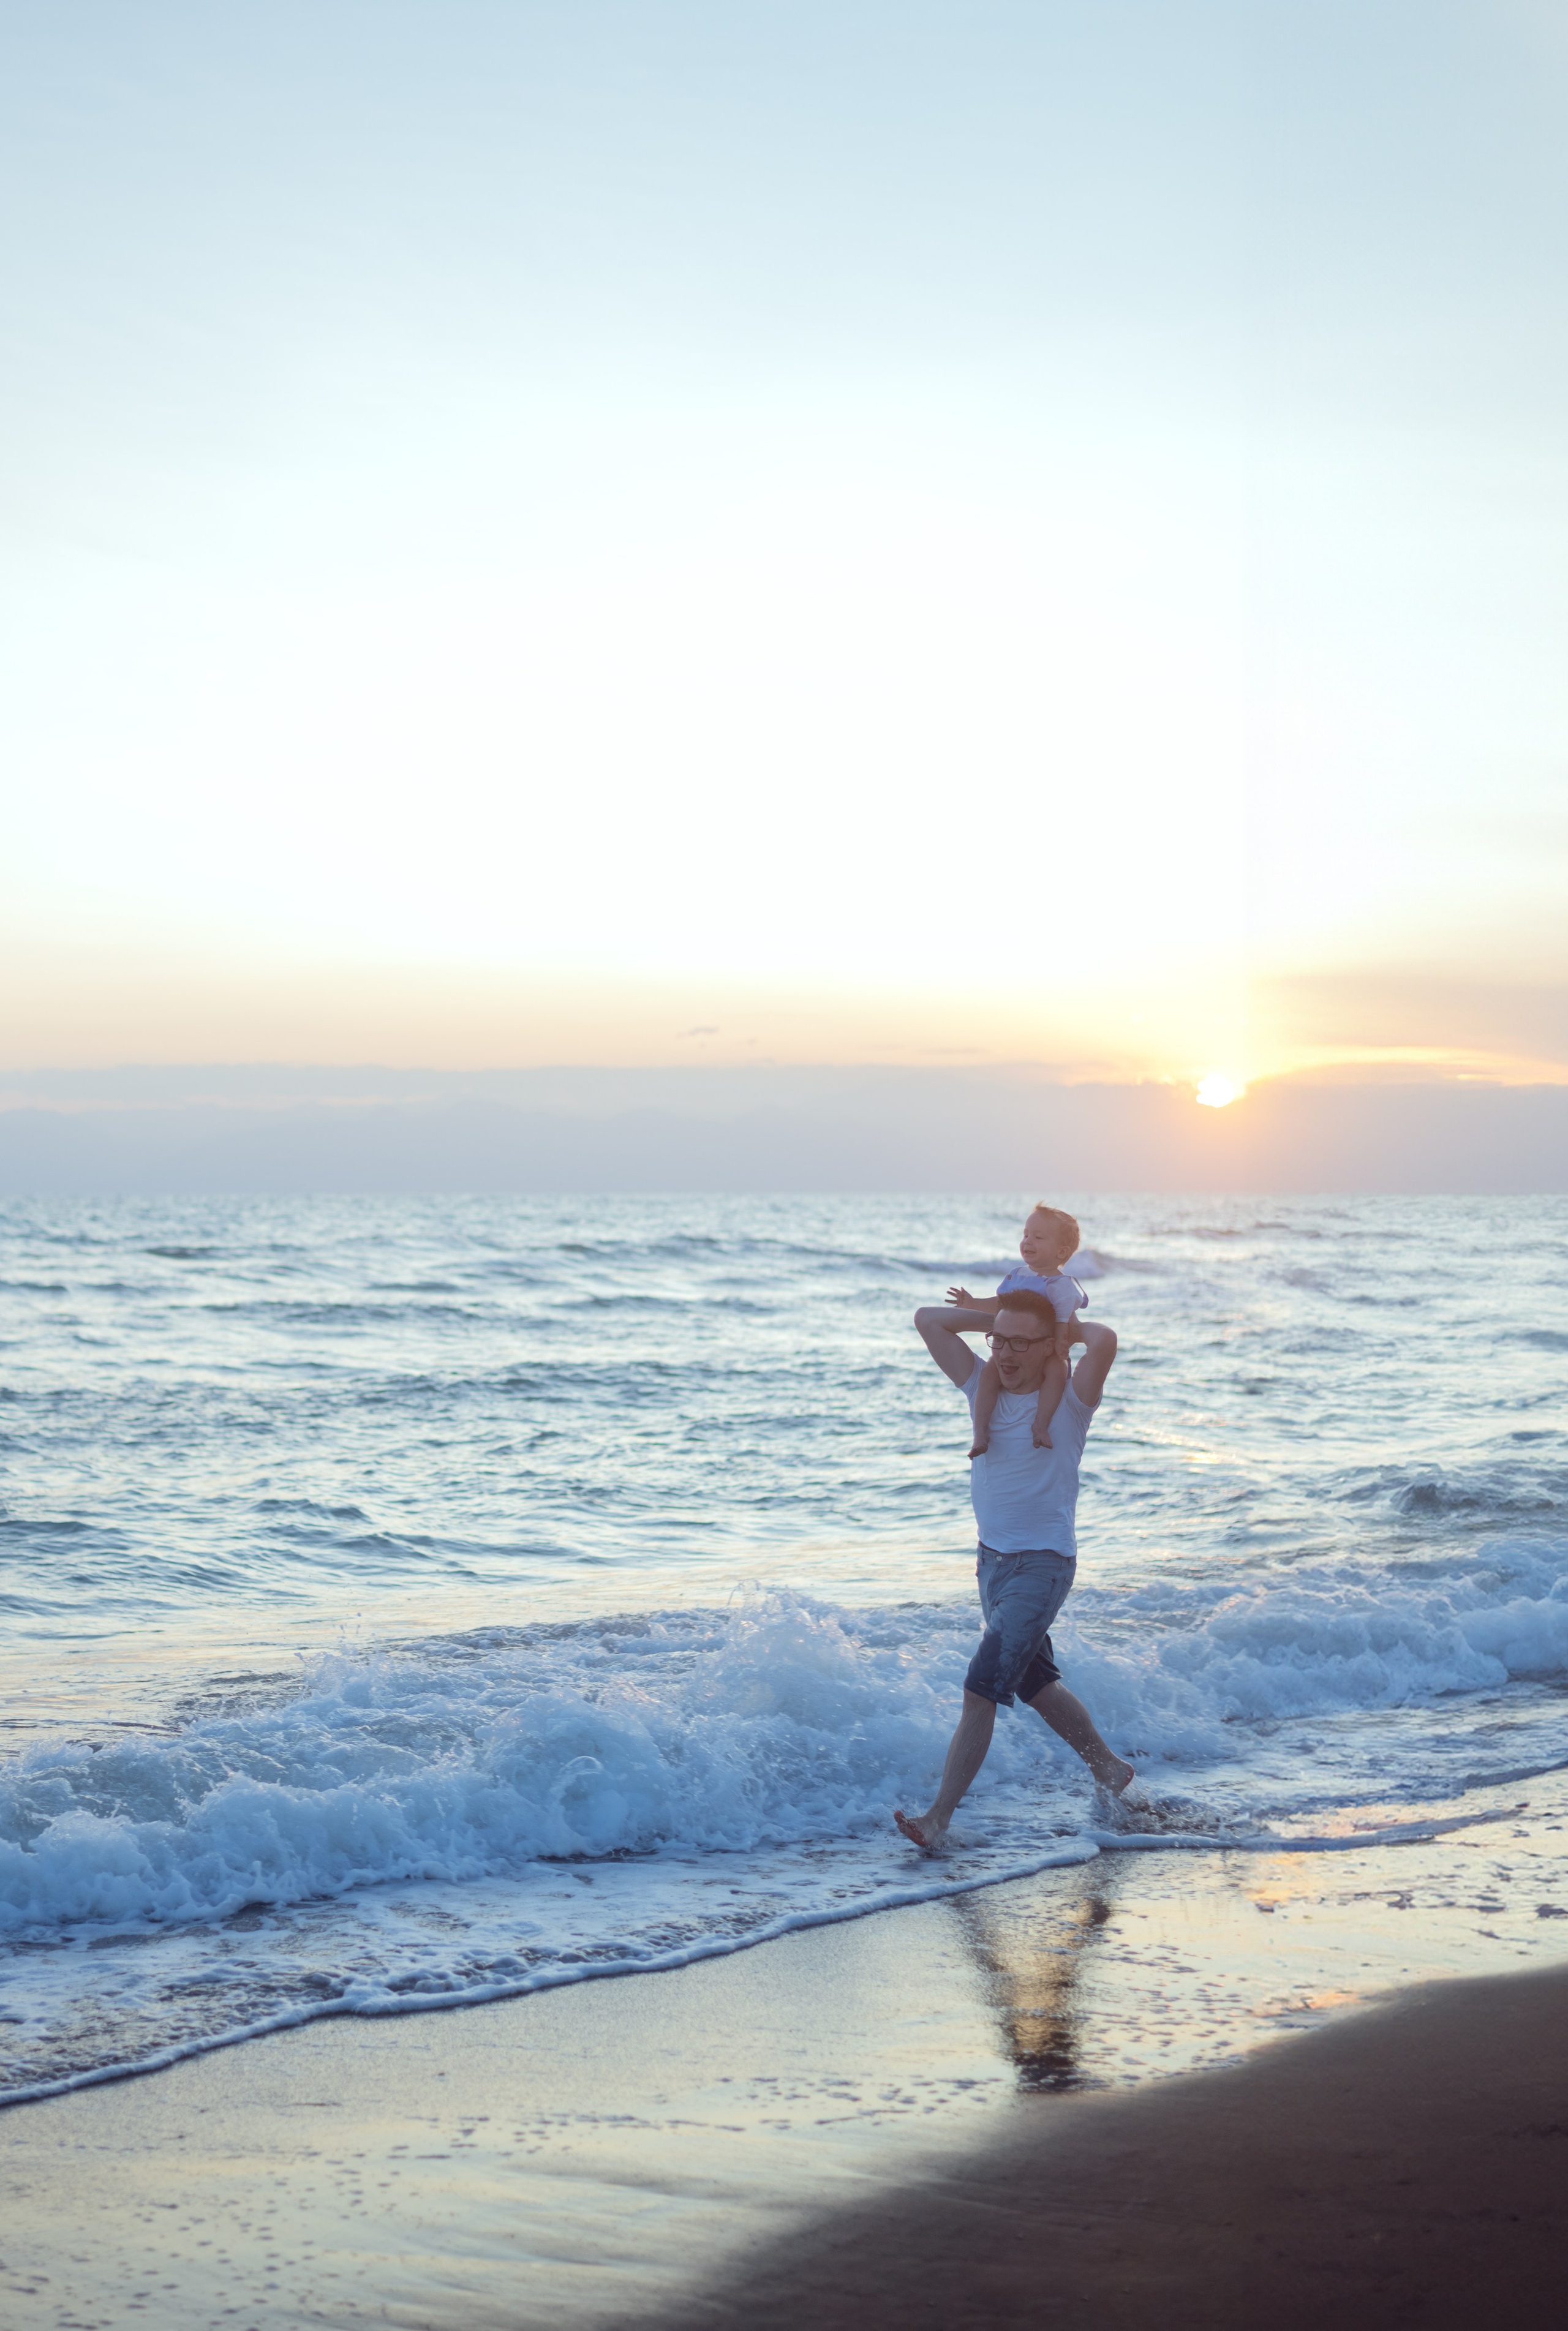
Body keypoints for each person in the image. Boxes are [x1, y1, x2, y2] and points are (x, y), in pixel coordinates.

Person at [894, 1287, 1147, 1853]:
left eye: (1018, 1343)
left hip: (1044, 1564)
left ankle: (937, 1820)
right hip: (991, 1564)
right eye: (997, 1340)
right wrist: (1000, 1315)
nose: (1004, 1354)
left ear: (1046, 1348)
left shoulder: (1071, 1401)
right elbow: (929, 1320)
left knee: (981, 1688)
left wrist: (1062, 1327)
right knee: (1035, 1684)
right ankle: (1109, 1767)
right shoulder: (980, 1388)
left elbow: (1103, 1339)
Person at [948, 1203, 1087, 1456]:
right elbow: (1000, 1304)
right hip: (1015, 1347)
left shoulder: (1061, 1285)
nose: (1028, 1241)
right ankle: (980, 1431)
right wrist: (972, 1303)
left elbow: (1064, 1322)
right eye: (1025, 1235)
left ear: (1061, 1252)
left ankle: (1041, 1425)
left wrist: (1060, 1347)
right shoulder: (1017, 1275)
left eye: (1039, 1237)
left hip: (1047, 1348)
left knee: (1056, 1373)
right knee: (989, 1374)